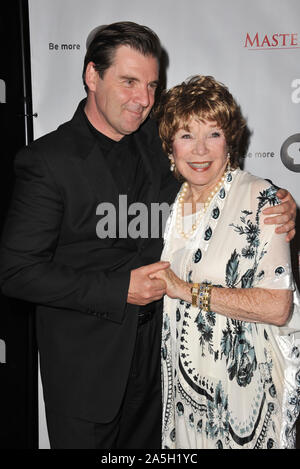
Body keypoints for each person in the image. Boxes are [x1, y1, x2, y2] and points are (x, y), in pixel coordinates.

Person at [0, 22, 296, 449]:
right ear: (91, 76)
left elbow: (213, 171)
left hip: (164, 362)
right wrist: (121, 289)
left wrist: (276, 200)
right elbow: (18, 273)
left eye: (152, 86)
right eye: (129, 83)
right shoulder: (48, 161)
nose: (144, 100)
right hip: (89, 371)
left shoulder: (160, 141)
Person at [152, 75, 300, 449]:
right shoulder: (164, 198)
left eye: (213, 134)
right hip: (182, 394)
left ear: (229, 140)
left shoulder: (262, 200)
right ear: (171, 145)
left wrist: (186, 291)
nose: (200, 150)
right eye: (186, 135)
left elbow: (277, 306)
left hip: (241, 395)